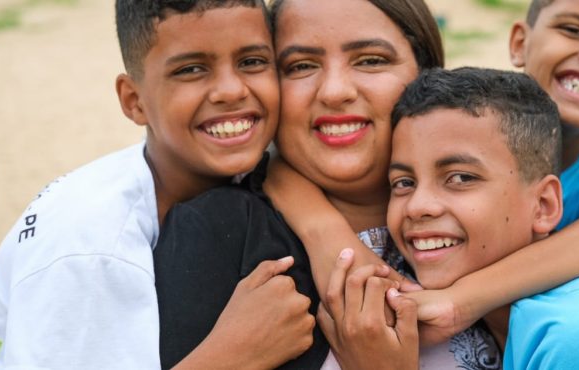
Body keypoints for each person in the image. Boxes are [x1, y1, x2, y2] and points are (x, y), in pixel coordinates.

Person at [266, 0, 579, 345]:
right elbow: (278, 168)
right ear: (519, 43)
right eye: (573, 29)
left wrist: (463, 300)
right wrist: (325, 234)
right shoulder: (460, 123)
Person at [153, 0, 501, 368]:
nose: (334, 92)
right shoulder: (217, 231)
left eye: (370, 60)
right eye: (301, 66)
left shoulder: (490, 207)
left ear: (427, 75)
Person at [0, 1, 319, 369]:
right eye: (191, 69)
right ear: (134, 101)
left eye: (251, 61)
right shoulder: (91, 250)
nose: (230, 90)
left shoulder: (240, 163)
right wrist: (235, 354)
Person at [319, 67, 579, 370]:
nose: (418, 205)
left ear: (544, 206)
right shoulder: (507, 320)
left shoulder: (577, 331)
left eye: (460, 178)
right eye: (403, 182)